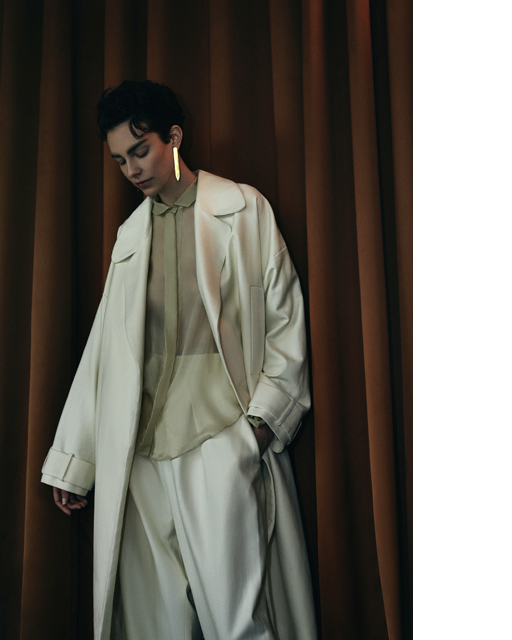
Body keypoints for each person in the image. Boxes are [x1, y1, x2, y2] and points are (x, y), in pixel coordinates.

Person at [39, 80, 317, 640]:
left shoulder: (243, 209)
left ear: (174, 137)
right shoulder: (129, 238)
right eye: (120, 160)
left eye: (140, 151)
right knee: (156, 624)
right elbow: (104, 353)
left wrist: (259, 427)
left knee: (238, 618)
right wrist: (75, 460)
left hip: (220, 437)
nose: (131, 169)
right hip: (141, 451)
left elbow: (284, 316)